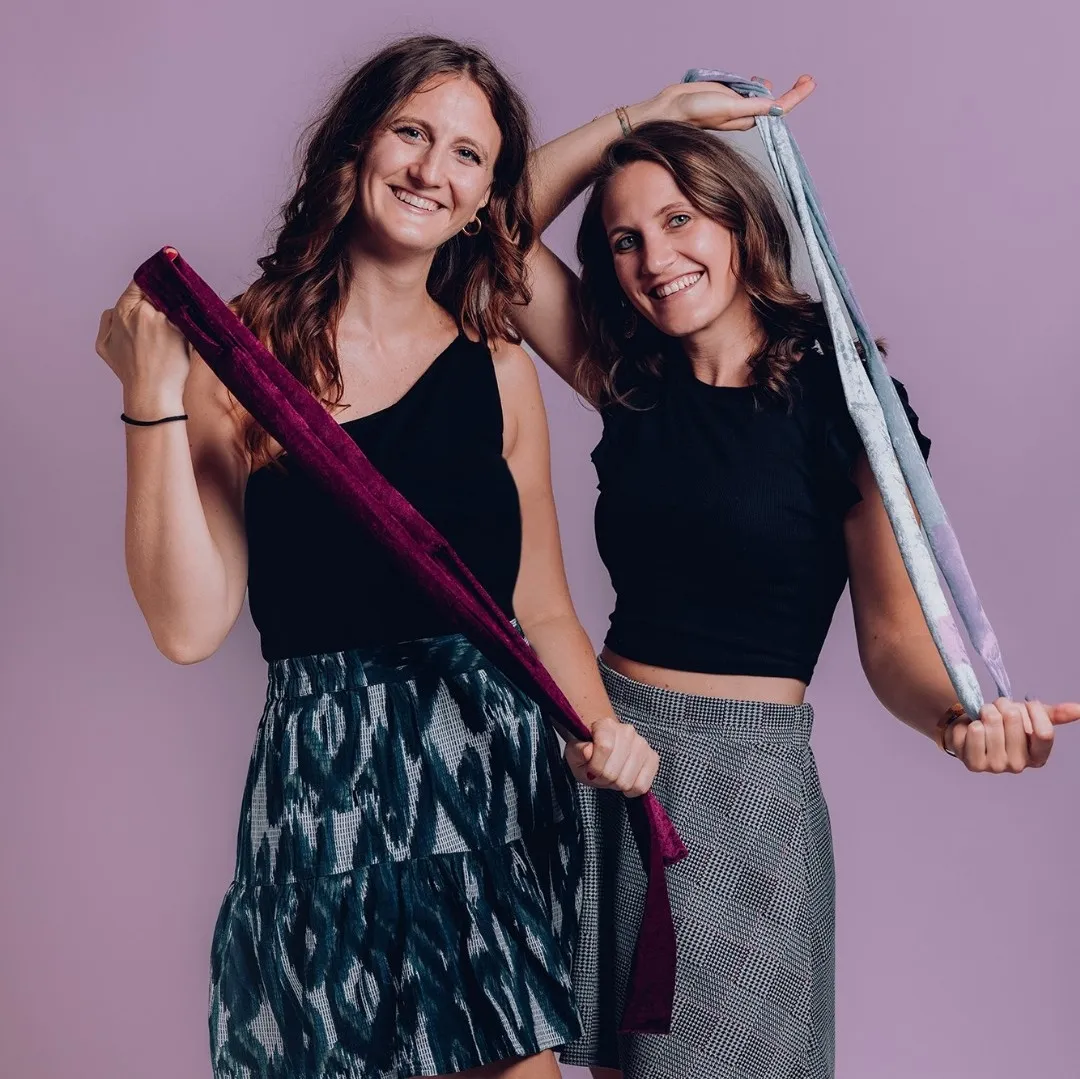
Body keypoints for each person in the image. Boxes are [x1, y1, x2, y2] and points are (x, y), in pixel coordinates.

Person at [93, 35, 666, 1079]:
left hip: (484, 772)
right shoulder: (236, 358)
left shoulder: (498, 362)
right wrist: (150, 398)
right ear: (357, 143)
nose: (431, 170)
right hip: (326, 791)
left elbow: (540, 605)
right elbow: (187, 624)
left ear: (486, 196)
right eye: (412, 132)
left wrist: (601, 733)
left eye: (467, 155)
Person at [513, 79, 1080, 1079]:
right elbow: (487, 232)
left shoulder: (846, 398)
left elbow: (892, 638)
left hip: (743, 795)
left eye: (679, 219)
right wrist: (639, 118)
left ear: (740, 220)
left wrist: (960, 721)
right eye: (624, 240)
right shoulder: (630, 378)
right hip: (602, 755)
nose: (654, 258)